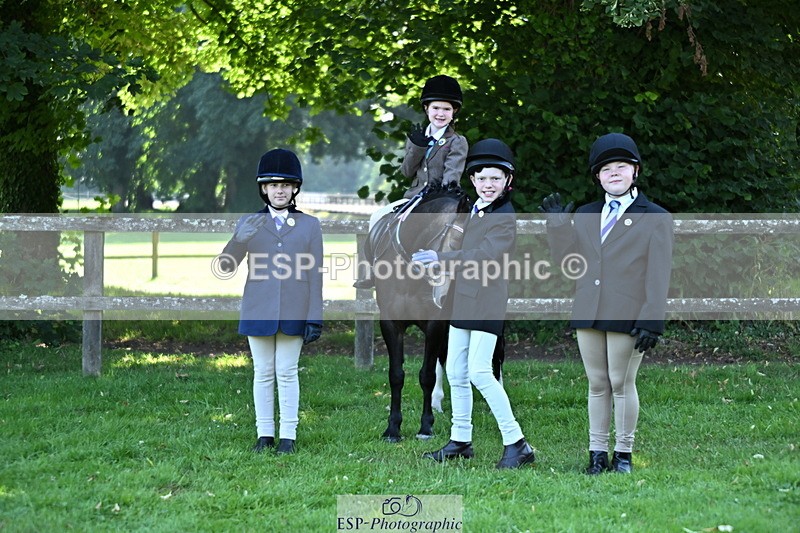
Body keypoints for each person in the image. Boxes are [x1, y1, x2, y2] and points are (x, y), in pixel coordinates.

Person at [539, 132, 673, 474]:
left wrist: (652, 320)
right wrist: (557, 229)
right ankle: (597, 453)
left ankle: (623, 454)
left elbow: (658, 275)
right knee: (597, 383)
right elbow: (570, 263)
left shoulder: (655, 216)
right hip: (588, 308)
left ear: (635, 172)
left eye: (622, 167)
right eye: (607, 169)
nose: (614, 173)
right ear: (597, 176)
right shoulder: (586, 213)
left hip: (629, 312)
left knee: (621, 382)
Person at [413, 139, 535, 469]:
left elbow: (485, 256)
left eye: (495, 178)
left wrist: (442, 257)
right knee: (455, 371)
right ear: (473, 181)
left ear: (508, 181)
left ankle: (517, 442)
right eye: (481, 178)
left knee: (480, 372)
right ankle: (460, 440)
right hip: (464, 300)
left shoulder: (504, 216)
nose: (488, 184)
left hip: (486, 302)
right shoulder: (477, 211)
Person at [217, 148, 323, 455]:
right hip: (259, 308)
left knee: (287, 371)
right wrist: (238, 240)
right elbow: (226, 266)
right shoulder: (250, 222)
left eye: (286, 185)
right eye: (274, 184)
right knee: (262, 371)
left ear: (294, 189)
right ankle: (264, 434)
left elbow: (316, 274)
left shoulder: (310, 225)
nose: (280, 189)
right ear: (264, 188)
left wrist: (314, 316)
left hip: (295, 308)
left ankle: (287, 435)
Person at [354, 74, 468, 289]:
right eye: (436, 108)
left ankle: (452, 279)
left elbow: (452, 174)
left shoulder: (457, 141)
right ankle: (369, 271)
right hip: (413, 198)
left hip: (442, 200)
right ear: (427, 109)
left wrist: (442, 192)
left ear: (454, 112)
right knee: (377, 215)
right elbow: (406, 172)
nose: (440, 114)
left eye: (446, 109)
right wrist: (417, 147)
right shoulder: (417, 137)